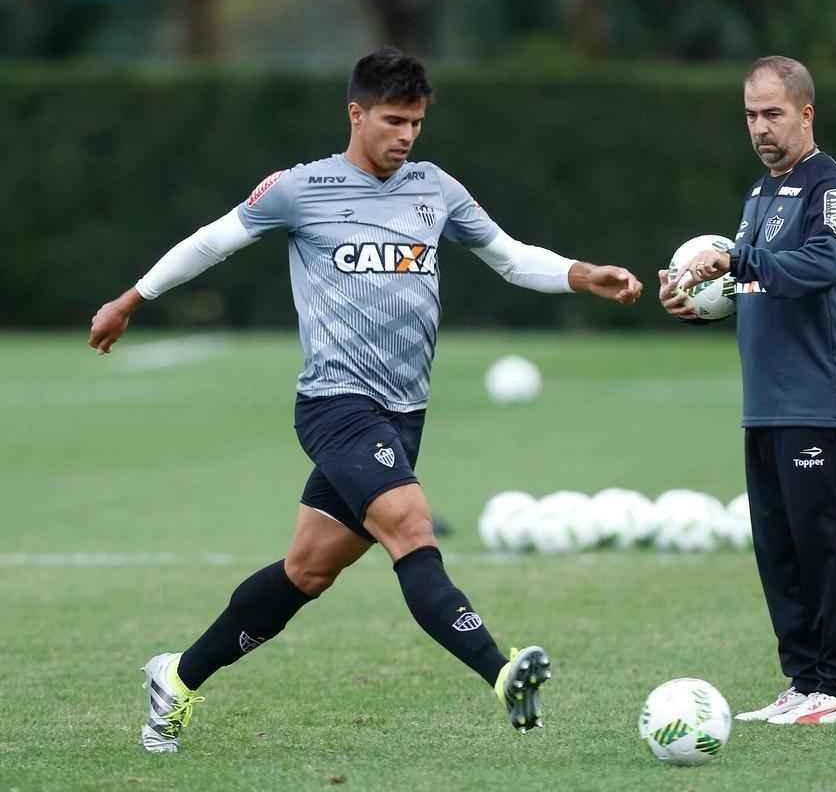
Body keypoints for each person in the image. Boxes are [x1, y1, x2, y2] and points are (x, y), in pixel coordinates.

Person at [88, 47, 644, 753]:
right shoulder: (300, 188)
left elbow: (507, 255)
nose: (405, 136)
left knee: (307, 571)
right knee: (411, 529)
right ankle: (502, 674)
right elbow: (211, 242)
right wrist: (131, 299)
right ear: (356, 113)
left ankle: (177, 676)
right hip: (335, 404)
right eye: (392, 120)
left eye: (415, 122)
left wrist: (582, 274)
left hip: (401, 415)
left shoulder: (433, 188)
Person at [662, 56, 836, 725]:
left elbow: (821, 263)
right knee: (778, 552)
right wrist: (704, 303)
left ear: (805, 113)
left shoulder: (827, 188)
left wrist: (736, 260)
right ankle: (802, 680)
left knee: (823, 549)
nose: (760, 127)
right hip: (766, 405)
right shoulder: (758, 195)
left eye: (773, 113)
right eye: (750, 114)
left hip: (821, 402)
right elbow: (753, 283)